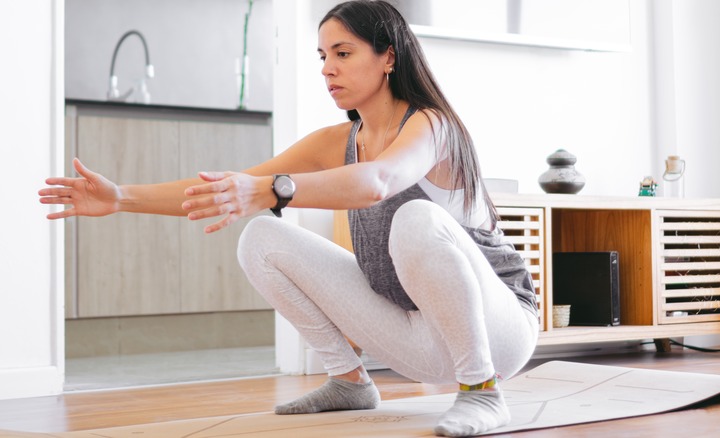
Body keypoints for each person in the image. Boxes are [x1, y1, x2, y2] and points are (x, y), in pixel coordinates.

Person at [39, 1, 539, 436]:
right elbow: (221, 189)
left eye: (343, 53)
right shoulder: (333, 142)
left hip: (498, 333)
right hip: (414, 339)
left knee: (415, 218)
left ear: (388, 56)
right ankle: (348, 381)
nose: (328, 69)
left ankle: (482, 390)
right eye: (323, 57)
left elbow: (379, 182)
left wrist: (274, 189)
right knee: (260, 236)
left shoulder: (434, 125)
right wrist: (122, 196)